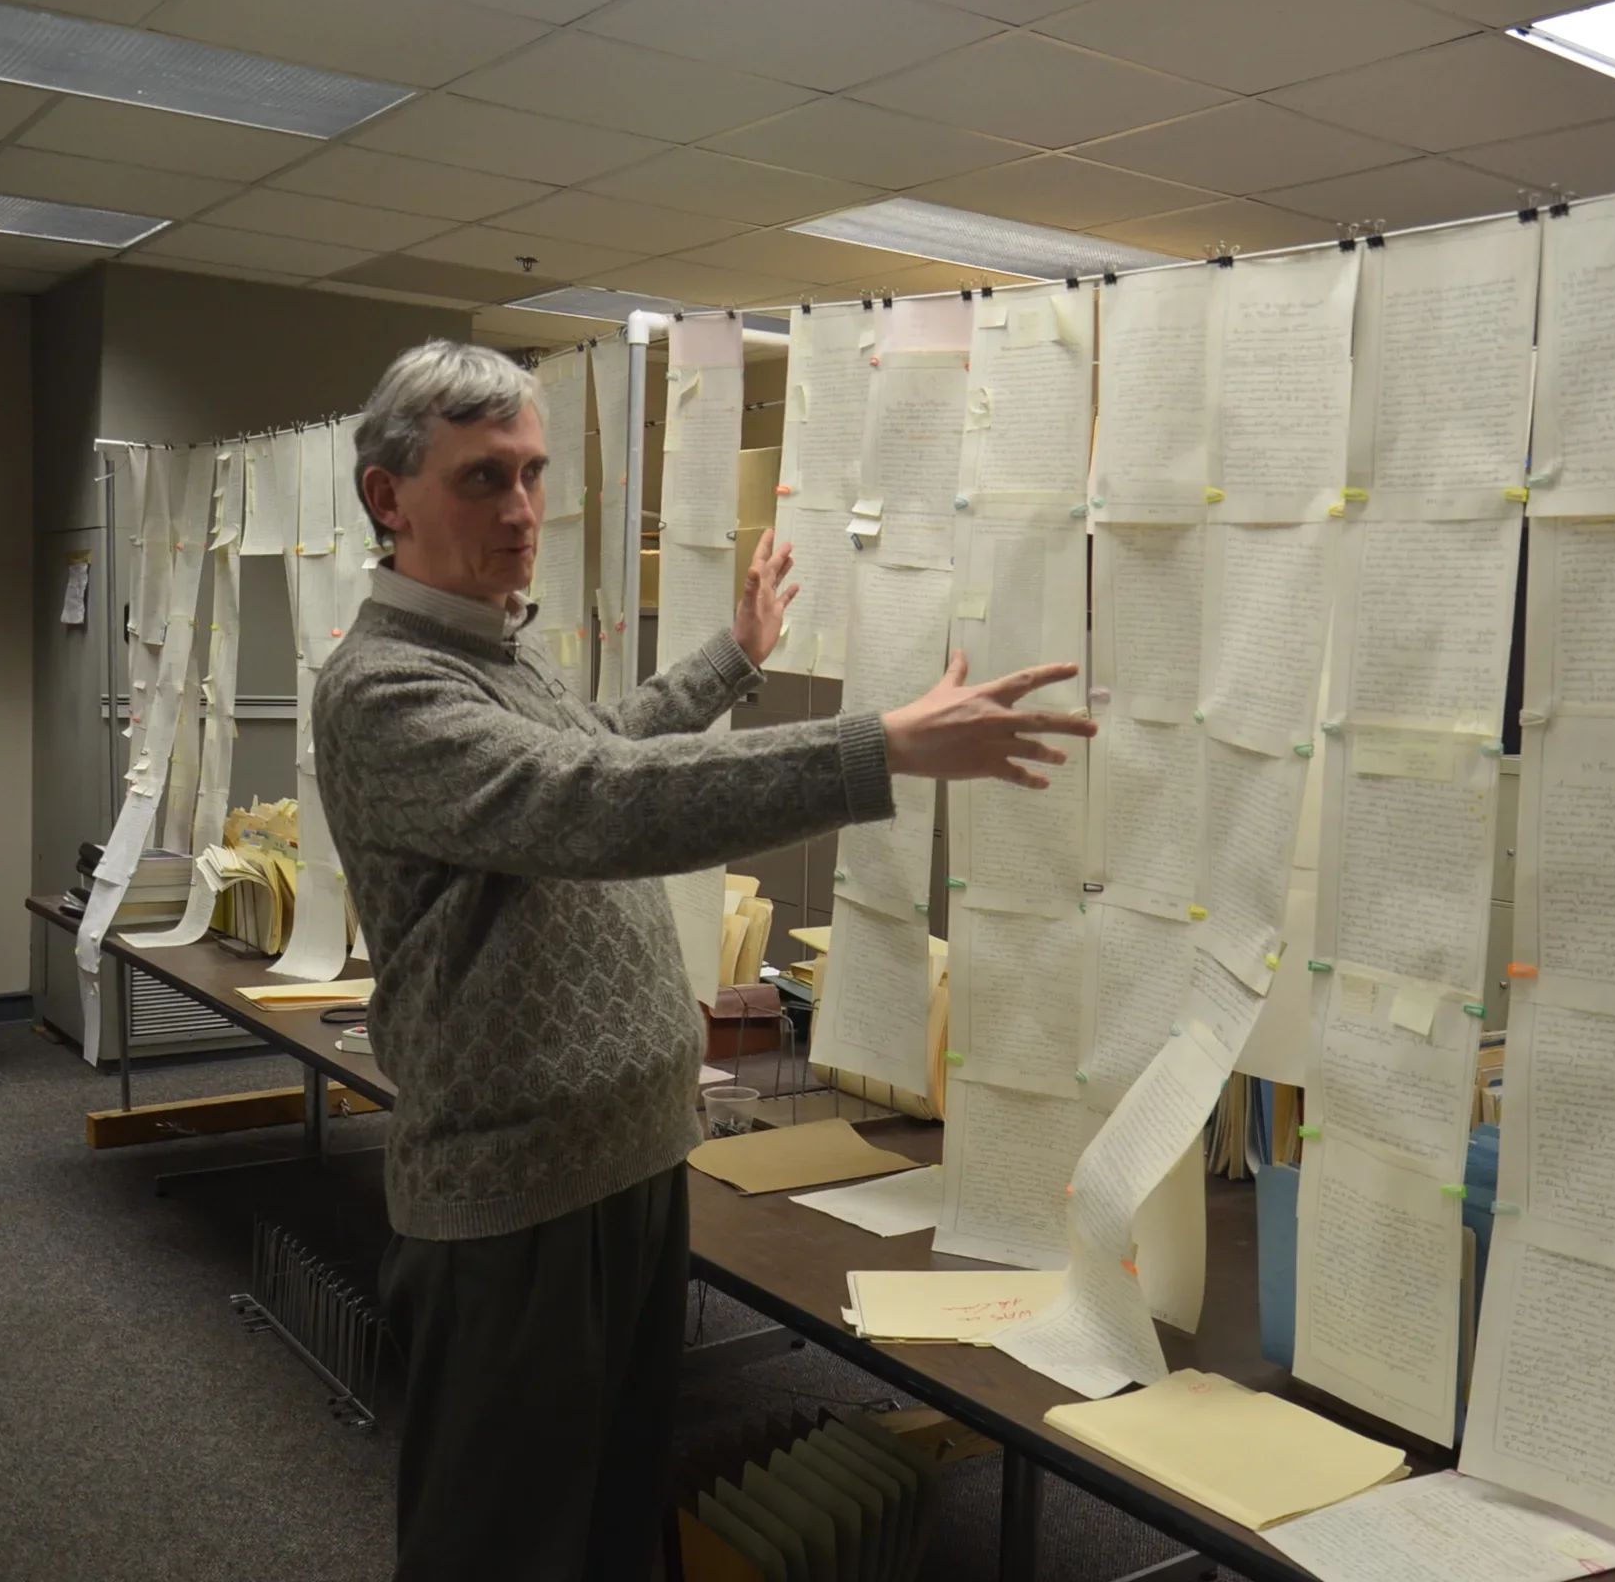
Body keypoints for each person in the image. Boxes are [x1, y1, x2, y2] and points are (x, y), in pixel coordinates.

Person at [314, 339, 1094, 1581]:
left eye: (531, 474)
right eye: (481, 481)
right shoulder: (386, 687)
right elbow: (590, 800)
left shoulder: (497, 656)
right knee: (503, 1549)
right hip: (515, 1203)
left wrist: (730, 660)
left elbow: (600, 740)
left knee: (619, 1527)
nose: (522, 513)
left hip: (625, 1169)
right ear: (387, 497)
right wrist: (875, 749)